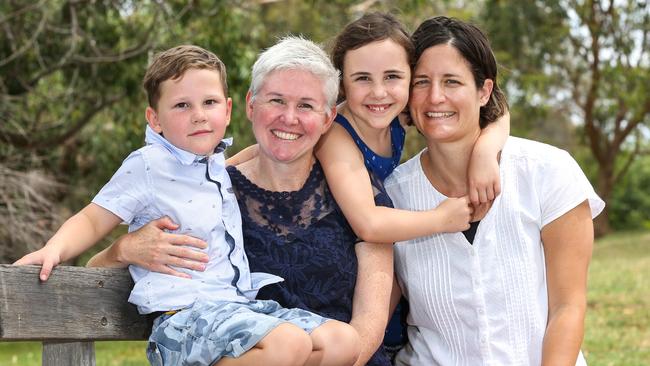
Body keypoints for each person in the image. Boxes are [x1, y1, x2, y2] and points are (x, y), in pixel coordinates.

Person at [14, 45, 360, 366]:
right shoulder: (148, 165)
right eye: (182, 105)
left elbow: (288, 139)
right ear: (155, 119)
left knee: (342, 342)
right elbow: (92, 219)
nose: (198, 115)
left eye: (209, 103)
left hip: (235, 307)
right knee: (289, 345)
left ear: (227, 110)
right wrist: (54, 248)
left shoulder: (216, 165)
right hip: (184, 318)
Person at [384, 16, 605, 366]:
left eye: (452, 81)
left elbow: (568, 307)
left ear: (484, 91)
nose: (435, 97)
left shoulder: (547, 171)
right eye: (422, 82)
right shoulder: (392, 195)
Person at [316, 12, 510, 246]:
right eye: (362, 78)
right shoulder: (335, 135)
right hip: (326, 233)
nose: (379, 92)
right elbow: (368, 224)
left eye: (392, 76)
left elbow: (499, 112)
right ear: (342, 83)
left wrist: (485, 153)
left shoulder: (396, 111)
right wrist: (440, 219)